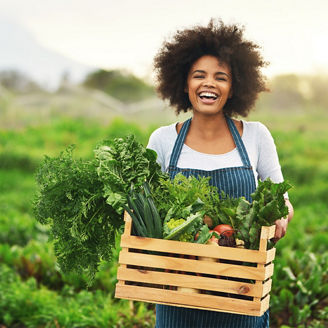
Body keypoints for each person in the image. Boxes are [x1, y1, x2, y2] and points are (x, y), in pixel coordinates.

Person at [147, 19, 294, 328]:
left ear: (235, 86)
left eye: (221, 77)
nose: (209, 84)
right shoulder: (162, 140)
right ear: (184, 83)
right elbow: (148, 209)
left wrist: (282, 212)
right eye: (198, 75)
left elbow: (280, 195)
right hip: (179, 296)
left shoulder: (256, 135)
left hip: (240, 290)